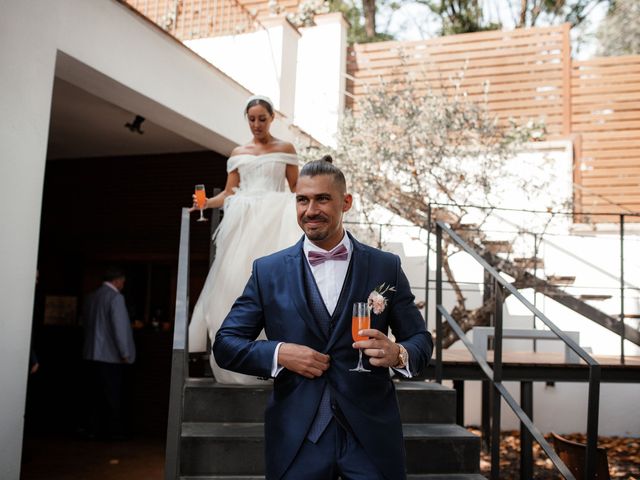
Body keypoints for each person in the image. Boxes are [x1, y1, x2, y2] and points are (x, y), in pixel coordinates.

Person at [213, 157, 433, 480]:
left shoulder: (385, 267)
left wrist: (398, 353)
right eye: (302, 199)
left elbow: (421, 341)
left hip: (370, 437)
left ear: (346, 202)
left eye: (322, 199)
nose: (310, 210)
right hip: (297, 439)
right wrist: (279, 353)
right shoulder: (268, 271)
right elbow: (225, 344)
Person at [188, 94, 301, 384]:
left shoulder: (285, 148)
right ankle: (240, 359)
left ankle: (282, 355)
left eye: (262, 118)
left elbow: (297, 189)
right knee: (235, 282)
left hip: (275, 220)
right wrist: (205, 204)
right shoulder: (237, 152)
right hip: (243, 222)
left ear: (272, 118)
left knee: (277, 284)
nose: (256, 124)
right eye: (251, 119)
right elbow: (228, 193)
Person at [82, 266, 136, 440]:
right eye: (123, 281)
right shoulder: (116, 298)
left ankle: (91, 430)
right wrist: (125, 353)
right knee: (111, 395)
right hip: (110, 356)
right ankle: (112, 433)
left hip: (90, 353)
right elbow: (119, 328)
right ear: (117, 280)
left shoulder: (91, 296)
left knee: (92, 395)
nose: (123, 284)